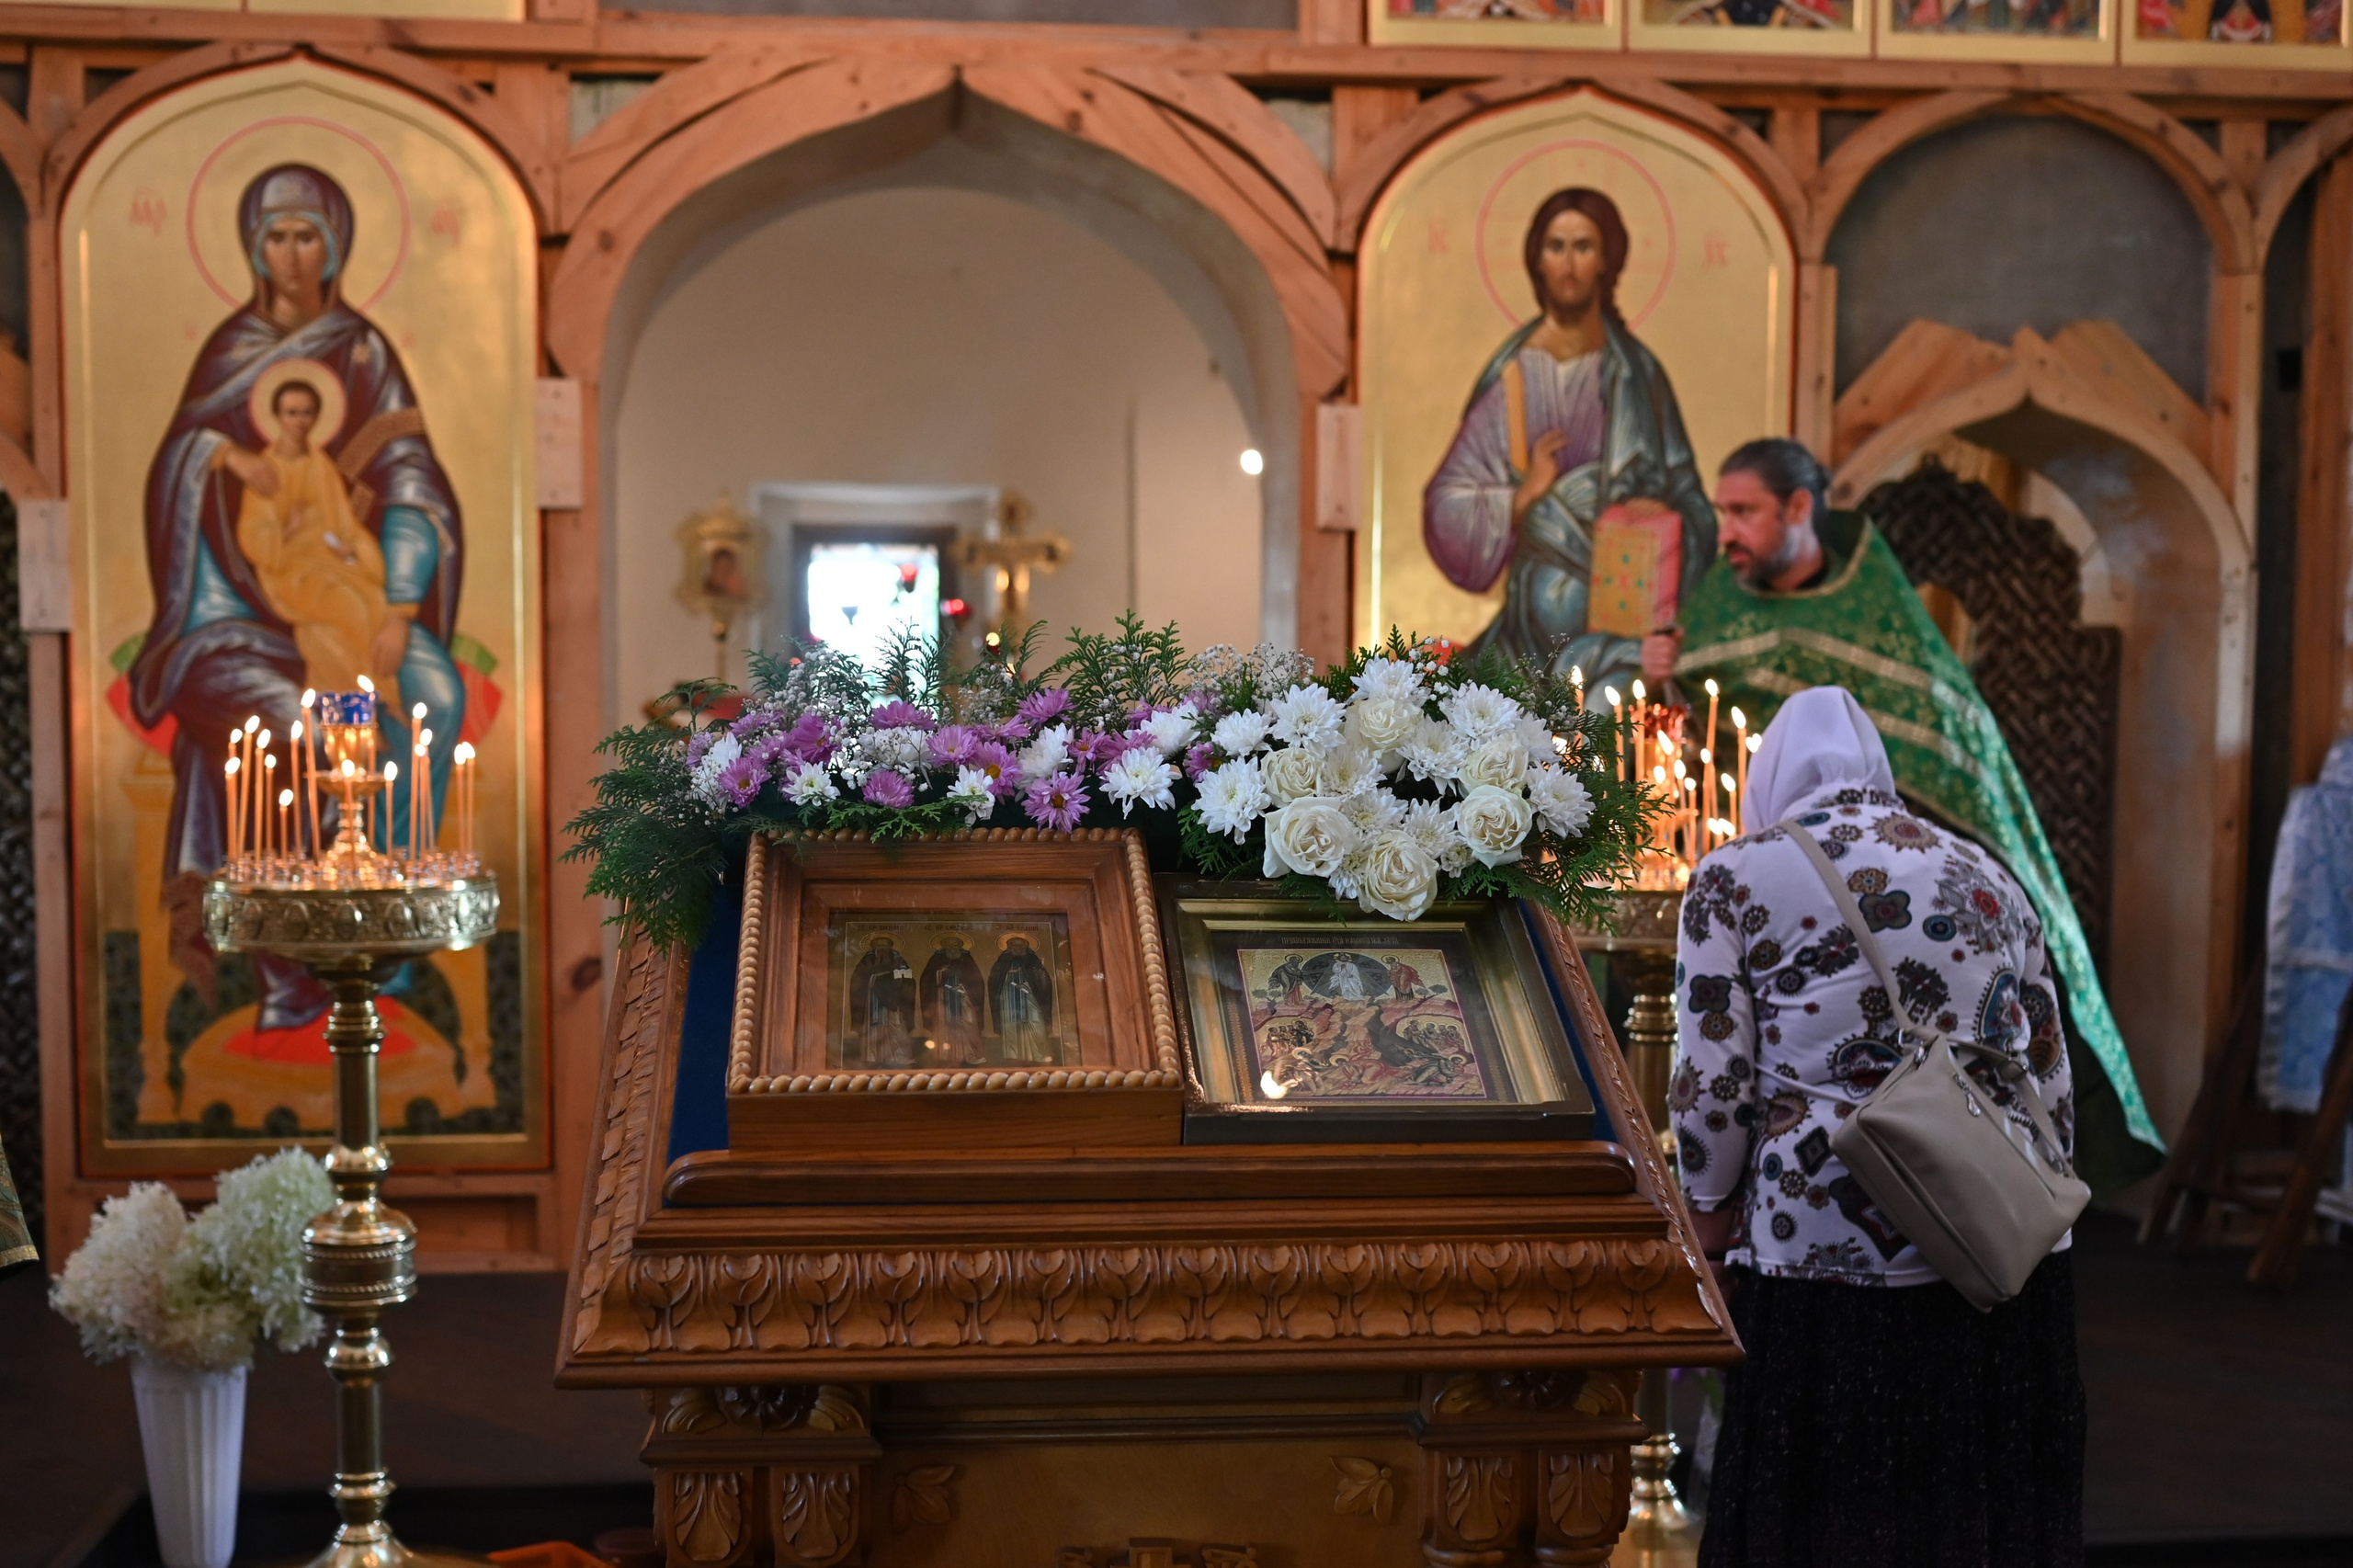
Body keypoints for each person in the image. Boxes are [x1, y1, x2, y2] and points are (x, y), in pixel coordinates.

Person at [1677, 437, 2160, 1192]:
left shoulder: (1879, 612)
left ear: (1799, 508)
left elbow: (1951, 754)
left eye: (1743, 512)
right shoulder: (1713, 606)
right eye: (1721, 513)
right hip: (1761, 888)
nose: (1726, 531)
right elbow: (1694, 739)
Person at [1675, 686, 2086, 1567]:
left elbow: (1713, 1081)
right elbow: (2048, 1074)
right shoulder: (1989, 873)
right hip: (1994, 1254)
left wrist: (1705, 1225)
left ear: (1770, 775)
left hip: (1821, 1263)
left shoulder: (1734, 876)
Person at [128, 163, 467, 1031]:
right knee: (306, 726)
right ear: (250, 247)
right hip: (229, 620)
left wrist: (397, 607)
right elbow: (176, 471)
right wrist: (212, 453)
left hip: (359, 600)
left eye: (306, 235)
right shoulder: (228, 353)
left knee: (434, 691)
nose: (290, 254)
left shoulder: (363, 352)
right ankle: (294, 961)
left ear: (336, 244)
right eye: (274, 237)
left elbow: (413, 482)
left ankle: (394, 921)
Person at [1421, 187, 1714, 695]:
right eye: (1556, 247)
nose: (1570, 264)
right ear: (1537, 261)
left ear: (1608, 261)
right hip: (1525, 636)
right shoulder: (1511, 375)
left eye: (1584, 247)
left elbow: (1695, 505)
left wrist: (1660, 515)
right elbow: (1448, 500)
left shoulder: (1637, 376)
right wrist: (1521, 497)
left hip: (1619, 635)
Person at [234, 379, 397, 699]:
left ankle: (349, 732)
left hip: (329, 559)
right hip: (289, 571)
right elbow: (253, 537)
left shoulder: (321, 465)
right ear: (277, 417)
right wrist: (289, 530)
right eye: (291, 412)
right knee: (350, 609)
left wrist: (353, 552)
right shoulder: (266, 470)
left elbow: (343, 526)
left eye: (307, 413)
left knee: (374, 604)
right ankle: (368, 708)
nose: (300, 421)